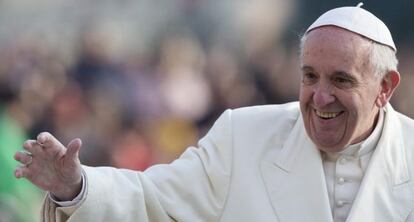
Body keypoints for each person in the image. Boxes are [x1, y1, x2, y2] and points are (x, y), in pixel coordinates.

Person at [13, 4, 414, 222]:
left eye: (341, 81)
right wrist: (77, 186)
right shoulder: (244, 136)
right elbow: (153, 199)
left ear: (385, 87)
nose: (320, 97)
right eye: (310, 76)